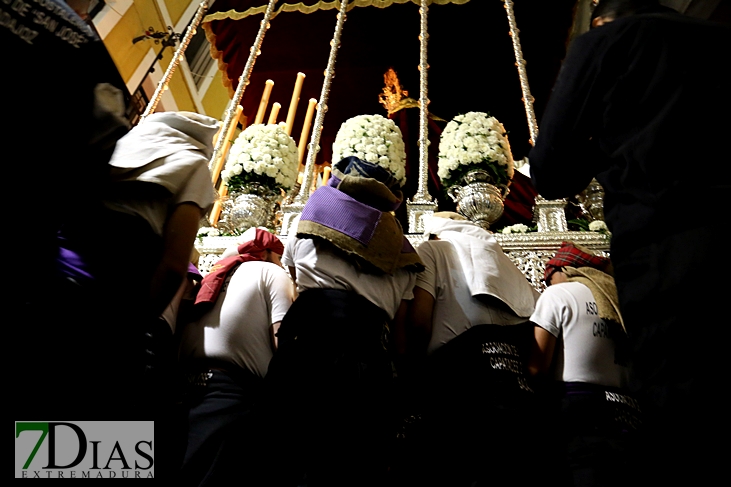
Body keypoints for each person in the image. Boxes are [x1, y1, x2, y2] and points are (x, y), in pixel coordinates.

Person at [527, 0, 730, 482]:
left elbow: (553, 170)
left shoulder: (605, 44)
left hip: (667, 249)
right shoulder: (720, 41)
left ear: (600, 21)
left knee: (684, 412)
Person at [252, 156, 422, 486]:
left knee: (286, 455)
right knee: (351, 470)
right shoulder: (403, 256)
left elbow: (294, 280)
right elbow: (401, 339)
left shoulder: (309, 228)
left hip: (307, 346)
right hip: (369, 361)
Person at [398, 212, 540, 486]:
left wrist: (412, 368)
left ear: (435, 233)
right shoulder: (504, 263)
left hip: (459, 380)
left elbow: (419, 321)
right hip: (514, 384)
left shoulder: (434, 249)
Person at [177, 227, 294, 486]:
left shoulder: (214, 274)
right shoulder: (272, 272)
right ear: (267, 253)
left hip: (184, 388)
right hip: (232, 392)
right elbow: (282, 337)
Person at [528, 241, 639, 486]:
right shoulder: (621, 299)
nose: (547, 284)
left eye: (548, 278)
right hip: (628, 409)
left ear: (562, 271)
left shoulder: (558, 294)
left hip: (580, 408)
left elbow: (538, 367)